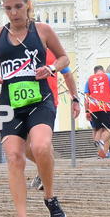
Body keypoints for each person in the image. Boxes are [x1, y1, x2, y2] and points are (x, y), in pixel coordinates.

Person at [0, 0, 69, 217]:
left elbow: (64, 57)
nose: (13, 13)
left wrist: (51, 67)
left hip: (40, 100)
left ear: (28, 6)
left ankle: (50, 197)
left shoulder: (42, 30)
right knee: (14, 156)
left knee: (41, 146)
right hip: (10, 102)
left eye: (18, 7)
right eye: (8, 8)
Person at [29, 48, 81, 189]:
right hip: (22, 103)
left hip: (47, 101)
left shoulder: (52, 52)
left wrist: (75, 98)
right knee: (24, 144)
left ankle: (44, 175)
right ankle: (45, 167)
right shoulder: (19, 48)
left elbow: (67, 74)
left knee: (43, 140)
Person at [84, 66, 110, 158]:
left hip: (93, 108)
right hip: (105, 106)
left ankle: (100, 152)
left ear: (94, 71)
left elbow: (86, 97)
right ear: (103, 70)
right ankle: (101, 141)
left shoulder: (89, 79)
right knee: (109, 129)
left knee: (98, 129)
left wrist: (87, 111)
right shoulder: (108, 76)